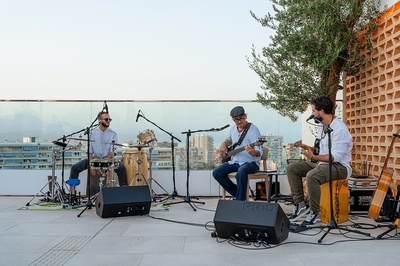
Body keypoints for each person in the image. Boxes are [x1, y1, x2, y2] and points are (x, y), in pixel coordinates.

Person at [286, 96, 352, 226]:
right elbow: (320, 151)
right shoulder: (322, 126)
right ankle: (300, 205)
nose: (312, 114)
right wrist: (308, 149)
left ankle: (314, 213)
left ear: (321, 111)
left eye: (313, 111)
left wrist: (313, 157)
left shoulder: (339, 129)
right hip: (323, 164)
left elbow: (335, 157)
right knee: (292, 168)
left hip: (340, 167)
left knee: (312, 175)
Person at [68, 111, 127, 193]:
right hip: (95, 159)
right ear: (99, 120)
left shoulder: (113, 134)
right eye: (106, 119)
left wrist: (103, 164)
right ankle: (72, 192)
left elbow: (113, 152)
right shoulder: (92, 133)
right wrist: (92, 165)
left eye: (110, 119)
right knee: (74, 168)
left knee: (121, 168)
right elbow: (89, 152)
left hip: (108, 160)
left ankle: (124, 192)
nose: (108, 121)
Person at [213, 106, 263, 201]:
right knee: (217, 173)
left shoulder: (254, 130)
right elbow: (229, 140)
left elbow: (259, 151)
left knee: (241, 171)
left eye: (242, 119)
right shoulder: (233, 129)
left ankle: (239, 201)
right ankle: (237, 192)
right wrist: (223, 144)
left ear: (245, 116)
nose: (239, 121)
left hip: (250, 163)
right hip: (235, 162)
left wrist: (253, 152)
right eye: (236, 120)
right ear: (233, 119)